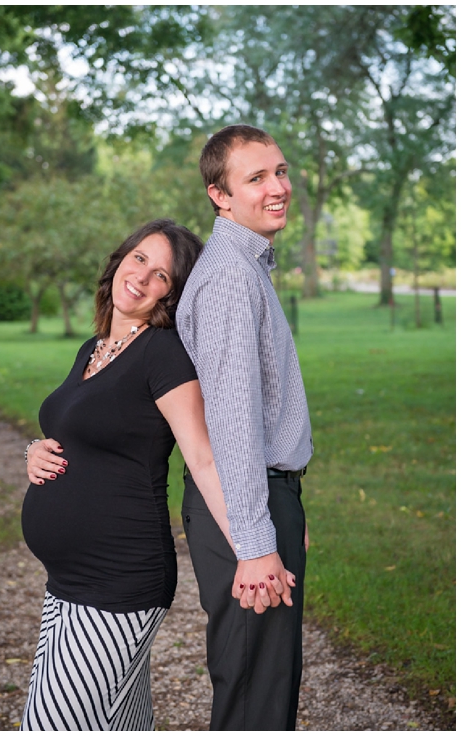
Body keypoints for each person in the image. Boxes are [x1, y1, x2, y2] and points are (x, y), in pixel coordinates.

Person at [20, 219, 285, 731]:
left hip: (118, 579)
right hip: (67, 582)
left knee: (50, 724)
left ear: (172, 293)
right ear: (121, 259)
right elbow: (78, 430)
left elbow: (203, 459)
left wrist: (257, 548)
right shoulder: (93, 350)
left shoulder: (162, 354)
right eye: (139, 258)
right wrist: (34, 450)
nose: (142, 277)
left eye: (161, 274)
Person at [176, 124, 313, 730]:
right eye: (255, 178)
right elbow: (231, 422)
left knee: (264, 679)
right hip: (243, 504)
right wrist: (257, 541)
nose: (277, 187)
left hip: (258, 495)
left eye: (280, 172)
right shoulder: (231, 275)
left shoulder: (245, 266)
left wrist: (285, 514)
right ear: (219, 195)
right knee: (255, 692)